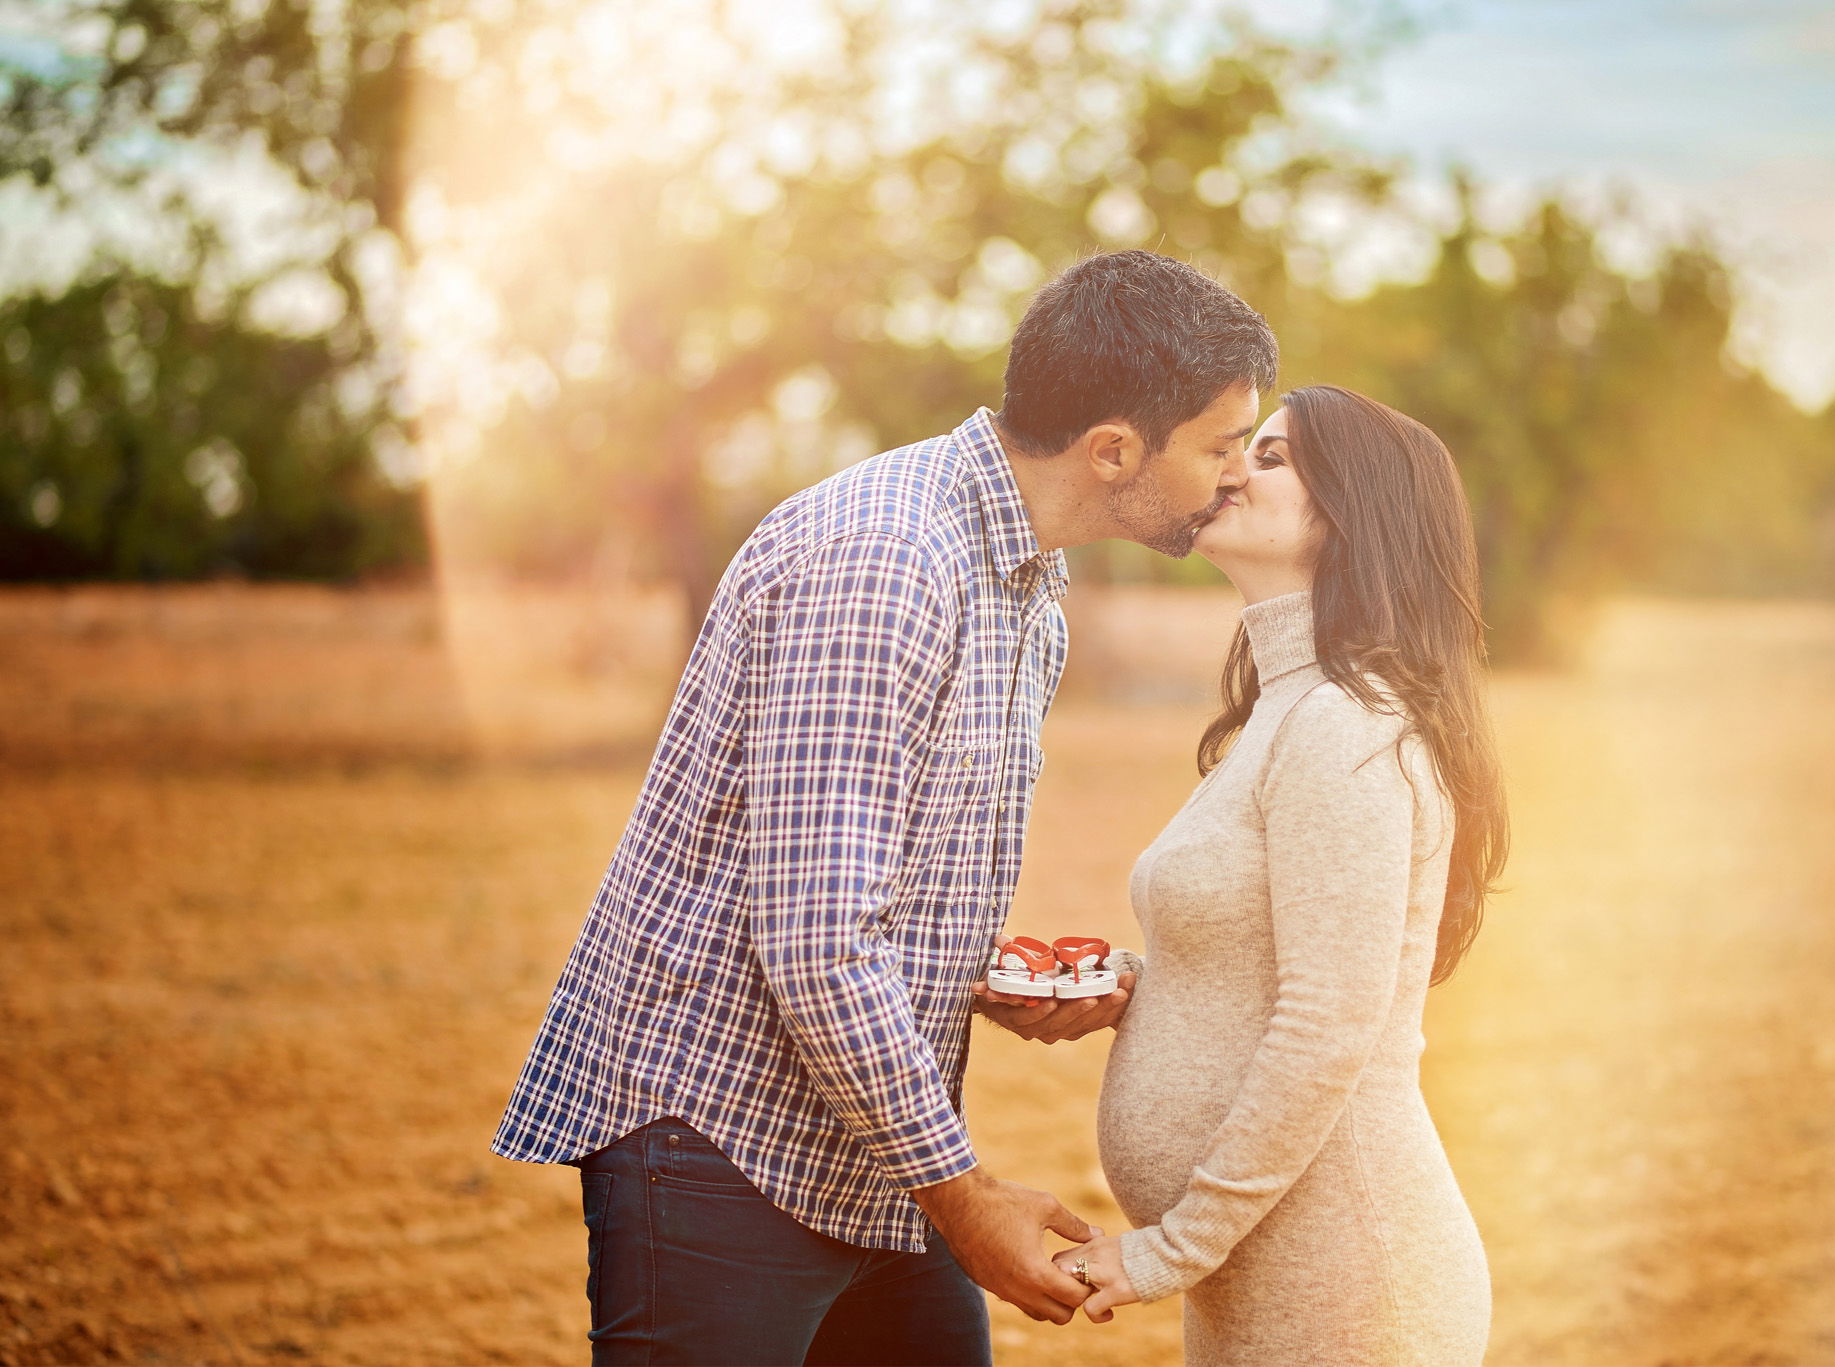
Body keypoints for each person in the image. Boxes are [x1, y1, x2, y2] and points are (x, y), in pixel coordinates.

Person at [488, 249, 1279, 1365]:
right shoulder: (888, 558)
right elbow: (816, 940)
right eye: (1218, 445)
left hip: (869, 1142)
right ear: (1111, 449)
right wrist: (966, 1200)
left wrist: (981, 971)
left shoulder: (1024, 587)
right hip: (720, 1135)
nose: (1232, 476)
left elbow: (859, 873)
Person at [979, 384, 1507, 1365]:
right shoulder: (1286, 711)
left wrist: (1169, 1249)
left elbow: (1328, 1019)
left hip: (1346, 1285)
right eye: (1240, 449)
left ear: (1352, 509)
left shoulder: (1343, 723)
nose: (1231, 469)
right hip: (1266, 1280)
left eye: (1269, 457)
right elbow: (1266, 958)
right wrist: (1136, 985)